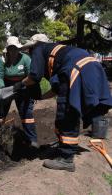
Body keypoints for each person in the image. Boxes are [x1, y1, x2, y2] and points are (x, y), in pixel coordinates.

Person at [14, 34, 112, 172]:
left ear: (32, 46)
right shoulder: (58, 52)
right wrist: (41, 97)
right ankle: (64, 149)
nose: (29, 54)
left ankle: (66, 158)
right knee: (70, 109)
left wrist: (19, 85)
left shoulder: (38, 49)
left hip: (76, 70)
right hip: (92, 68)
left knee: (66, 112)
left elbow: (35, 76)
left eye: (29, 50)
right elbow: (57, 89)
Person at [0, 36, 38, 148]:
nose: (13, 51)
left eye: (15, 48)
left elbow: (31, 75)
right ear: (7, 49)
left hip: (22, 85)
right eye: (10, 48)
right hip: (6, 85)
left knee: (26, 112)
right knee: (0, 112)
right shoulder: (2, 60)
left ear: (18, 48)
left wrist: (31, 90)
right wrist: (3, 89)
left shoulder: (25, 59)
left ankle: (32, 140)